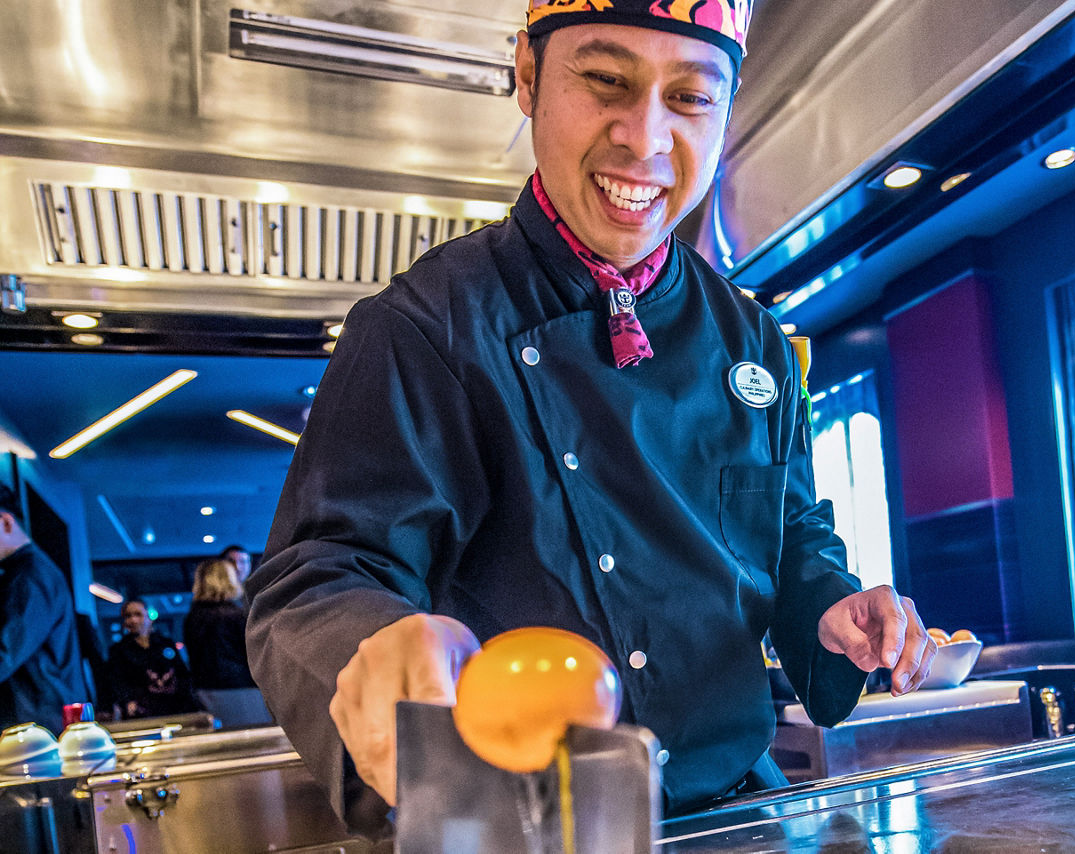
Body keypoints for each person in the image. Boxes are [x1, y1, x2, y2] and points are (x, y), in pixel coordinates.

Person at [246, 0, 936, 838]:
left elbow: (785, 531)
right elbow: (315, 580)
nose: (644, 139)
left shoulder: (749, 335)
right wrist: (374, 644)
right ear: (528, 76)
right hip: (529, 831)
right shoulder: (427, 325)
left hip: (739, 818)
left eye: (690, 98)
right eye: (606, 80)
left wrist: (832, 606)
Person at [0, 484, 89, 733]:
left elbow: (5, 652)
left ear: (6, 522)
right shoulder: (32, 572)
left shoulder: (30, 576)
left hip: (36, 723)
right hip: (40, 717)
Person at [184, 558, 270, 727]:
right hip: (243, 690)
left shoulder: (192, 618)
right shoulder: (238, 615)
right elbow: (255, 656)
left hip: (205, 691)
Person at [104, 599, 199, 720]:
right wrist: (127, 701)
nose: (133, 620)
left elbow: (182, 674)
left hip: (174, 709)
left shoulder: (166, 644)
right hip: (141, 713)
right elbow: (116, 682)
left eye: (138, 614)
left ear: (149, 618)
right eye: (128, 616)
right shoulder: (119, 651)